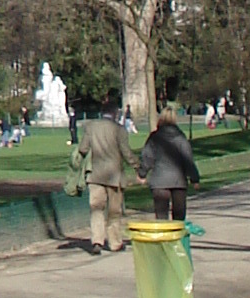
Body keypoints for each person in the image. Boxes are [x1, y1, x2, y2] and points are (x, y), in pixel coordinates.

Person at [78, 103, 133, 253]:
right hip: (114, 176)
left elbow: (83, 148)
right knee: (114, 211)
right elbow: (126, 152)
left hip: (95, 175)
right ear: (115, 113)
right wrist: (136, 165)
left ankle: (97, 240)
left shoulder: (91, 127)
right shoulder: (119, 130)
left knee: (96, 208)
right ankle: (114, 242)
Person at [137, 111, 200, 220]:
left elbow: (147, 157)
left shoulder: (154, 138)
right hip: (178, 181)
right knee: (179, 216)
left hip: (159, 181)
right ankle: (177, 236)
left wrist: (142, 174)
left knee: (161, 216)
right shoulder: (181, 138)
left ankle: (164, 236)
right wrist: (194, 179)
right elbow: (188, 159)